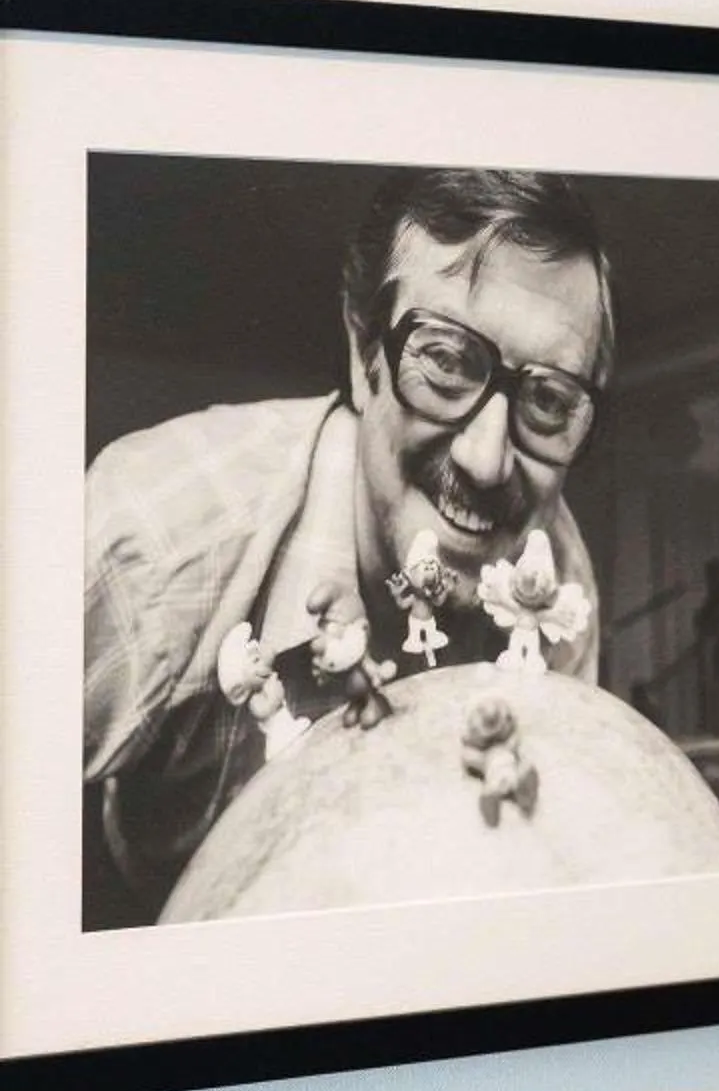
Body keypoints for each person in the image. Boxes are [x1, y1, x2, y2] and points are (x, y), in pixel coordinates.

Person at [84, 167, 613, 923]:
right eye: (447, 362)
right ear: (366, 356)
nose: (488, 459)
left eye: (549, 401)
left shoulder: (554, 577)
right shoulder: (154, 538)